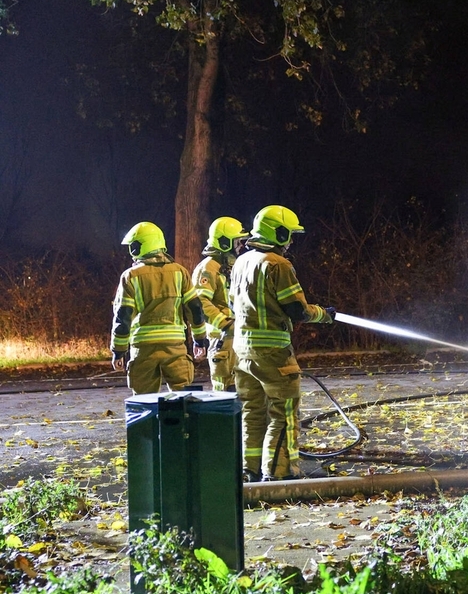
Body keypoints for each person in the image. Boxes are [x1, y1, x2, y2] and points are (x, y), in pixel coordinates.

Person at [230, 205, 334, 481]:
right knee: (283, 414)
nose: (290, 241)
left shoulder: (241, 262)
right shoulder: (278, 264)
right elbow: (297, 310)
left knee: (252, 413)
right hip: (272, 352)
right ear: (278, 232)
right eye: (289, 234)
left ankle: (248, 470)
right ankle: (278, 474)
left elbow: (232, 306)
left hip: (241, 351)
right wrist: (325, 315)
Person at [111, 221, 208, 394]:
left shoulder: (131, 276)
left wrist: (118, 351)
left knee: (144, 404)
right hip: (175, 347)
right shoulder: (180, 272)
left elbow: (123, 317)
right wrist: (200, 340)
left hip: (143, 349)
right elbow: (195, 309)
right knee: (183, 402)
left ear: (139, 247)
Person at [192, 217, 249, 392]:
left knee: (245, 389)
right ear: (225, 243)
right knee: (225, 389)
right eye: (237, 241)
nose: (241, 245)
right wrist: (225, 324)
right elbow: (201, 302)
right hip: (223, 339)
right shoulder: (208, 268)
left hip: (240, 336)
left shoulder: (233, 266)